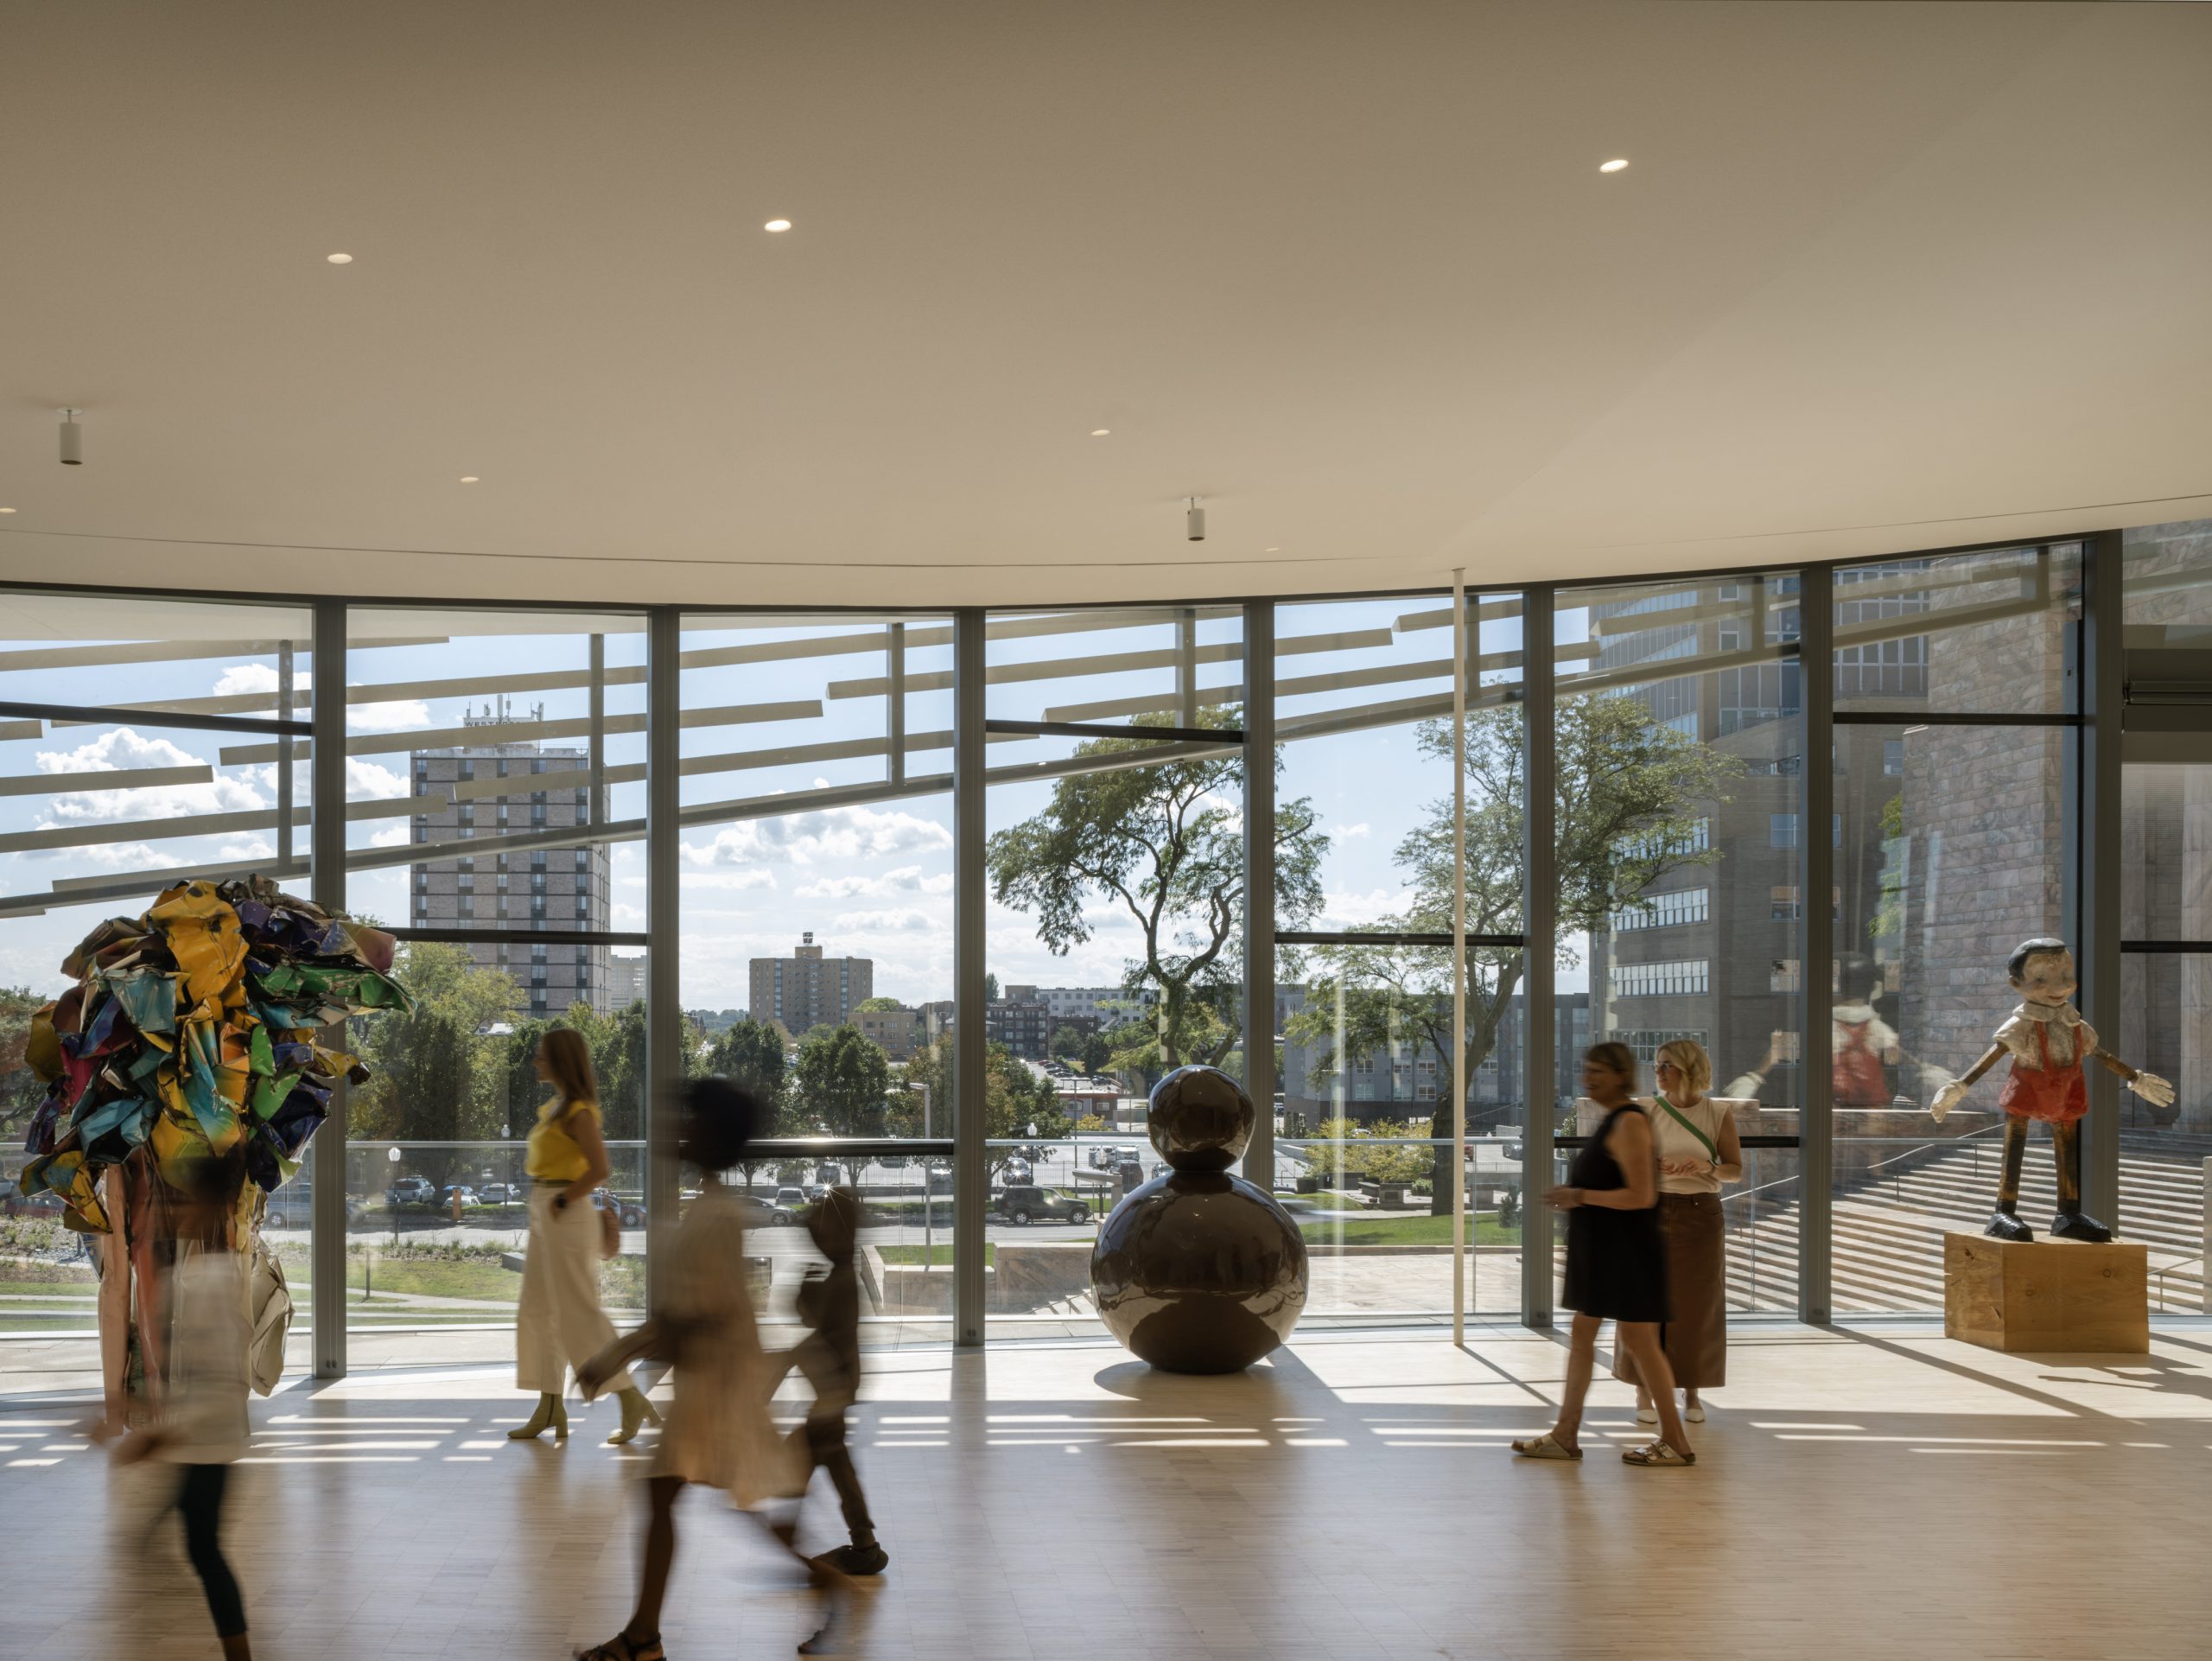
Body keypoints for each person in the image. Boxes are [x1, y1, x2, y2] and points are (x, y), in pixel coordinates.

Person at [576, 1079, 814, 1661]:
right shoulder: (711, 1209)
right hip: (714, 1383)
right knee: (719, 1504)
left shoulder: (714, 1217)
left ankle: (645, 1637)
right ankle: (644, 1636)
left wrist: (614, 1356)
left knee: (707, 1503)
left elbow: (689, 1321)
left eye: (692, 1122)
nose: (680, 1131)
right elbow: (686, 1318)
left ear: (712, 1136)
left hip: (717, 1388)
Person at [1511, 1042, 1695, 1468]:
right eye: (1586, 1070)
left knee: (1640, 1342)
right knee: (1591, 1337)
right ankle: (1567, 1433)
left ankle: (1675, 1441)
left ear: (1621, 1075)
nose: (1589, 1078)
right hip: (1609, 1251)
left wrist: (1578, 1194)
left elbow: (1641, 1195)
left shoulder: (1629, 1122)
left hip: (1625, 1253)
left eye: (1599, 1071)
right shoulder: (1614, 1119)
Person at [112, 1144, 255, 1661]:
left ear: (206, 1205)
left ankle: (238, 1653)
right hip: (200, 1441)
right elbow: (193, 1370)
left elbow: (220, 1377)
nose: (175, 1212)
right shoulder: (198, 1273)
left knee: (203, 1549)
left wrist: (160, 1433)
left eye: (182, 1201)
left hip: (208, 1443)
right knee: (193, 1541)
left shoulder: (211, 1280)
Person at [510, 1028, 658, 1445]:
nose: (536, 1062)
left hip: (565, 1213)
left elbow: (599, 1169)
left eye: (542, 1057)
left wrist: (563, 1201)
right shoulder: (557, 1109)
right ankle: (550, 1405)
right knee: (536, 1311)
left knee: (578, 1312)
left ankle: (628, 1395)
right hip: (548, 1210)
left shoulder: (578, 1112)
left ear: (560, 1061)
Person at [1613, 1039, 1741, 1426]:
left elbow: (1733, 1169)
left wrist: (1704, 1166)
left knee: (1696, 1306)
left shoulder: (1718, 1113)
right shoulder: (1643, 1110)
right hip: (1648, 1213)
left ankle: (1692, 1390)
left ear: (1687, 1069)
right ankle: (1642, 1390)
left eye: (1666, 1065)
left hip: (1701, 1214)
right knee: (1642, 1302)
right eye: (1656, 1065)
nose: (1657, 1072)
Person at [775, 1187, 889, 1577]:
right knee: (833, 1459)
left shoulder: (839, 1281)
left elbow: (814, 1330)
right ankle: (862, 1541)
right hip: (834, 1389)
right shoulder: (839, 1274)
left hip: (832, 1389)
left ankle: (789, 1529)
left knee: (808, 1457)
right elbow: (813, 1322)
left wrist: (782, 1362)